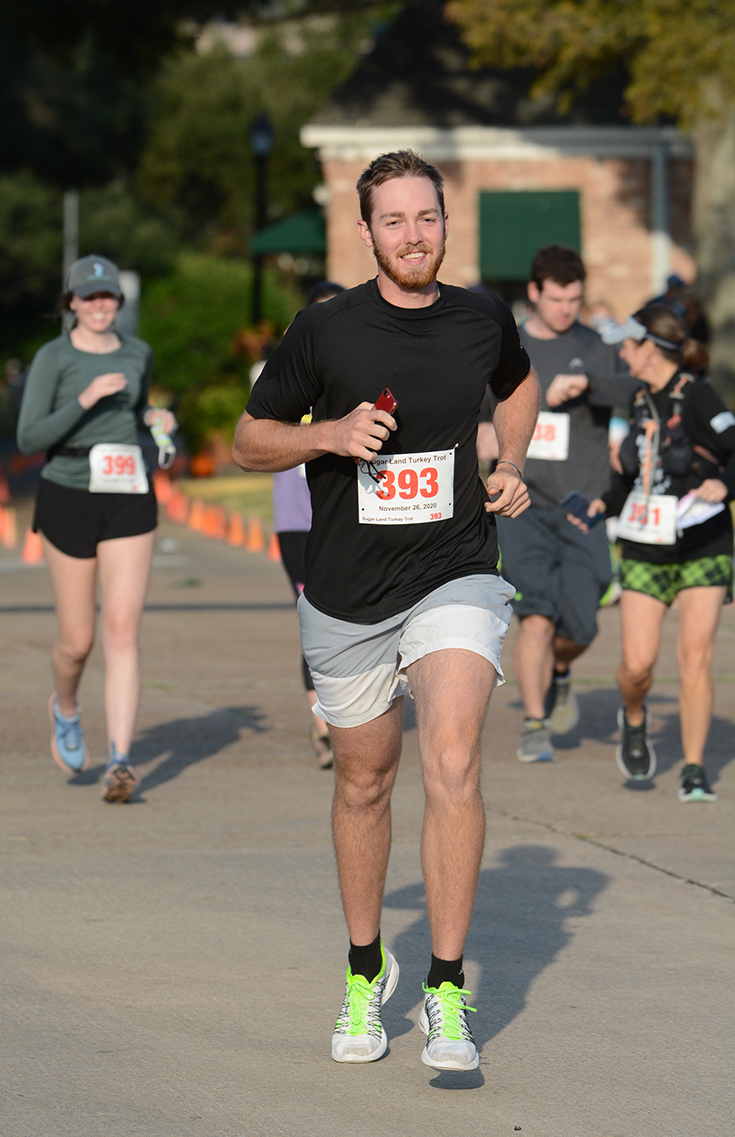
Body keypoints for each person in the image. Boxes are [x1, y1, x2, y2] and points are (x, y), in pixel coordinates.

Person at [233, 150, 539, 1071]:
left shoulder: (483, 316)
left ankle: (448, 989)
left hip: (455, 569)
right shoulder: (324, 332)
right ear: (366, 233)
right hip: (345, 590)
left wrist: (510, 464)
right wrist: (326, 434)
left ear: (448, 222)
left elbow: (517, 383)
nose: (415, 236)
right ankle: (368, 970)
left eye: (428, 217)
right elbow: (251, 438)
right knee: (365, 778)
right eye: (395, 221)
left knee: (452, 759)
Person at [17, 254, 176, 804]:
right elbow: (27, 438)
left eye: (107, 296)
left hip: (129, 491)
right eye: (89, 297)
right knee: (77, 641)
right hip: (67, 492)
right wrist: (83, 400)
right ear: (72, 304)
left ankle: (120, 760)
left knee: (123, 630)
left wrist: (157, 422)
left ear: (117, 301)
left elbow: (136, 416)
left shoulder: (138, 354)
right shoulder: (53, 357)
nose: (100, 305)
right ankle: (65, 706)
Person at [483, 245, 638, 764]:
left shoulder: (597, 347)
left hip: (583, 506)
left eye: (574, 299)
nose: (566, 308)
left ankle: (562, 671)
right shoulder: (511, 346)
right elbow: (477, 410)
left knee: (583, 621)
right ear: (534, 293)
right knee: (537, 614)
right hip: (523, 505)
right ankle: (535, 723)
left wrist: (592, 384)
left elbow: (637, 389)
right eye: (556, 299)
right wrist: (486, 441)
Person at [572, 306, 734, 801]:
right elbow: (631, 478)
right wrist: (603, 502)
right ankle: (636, 717)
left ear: (650, 348)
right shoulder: (638, 399)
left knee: (694, 657)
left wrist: (721, 485)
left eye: (627, 345)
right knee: (638, 666)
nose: (622, 353)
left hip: (703, 545)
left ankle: (692, 767)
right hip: (645, 547)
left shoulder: (698, 394)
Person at [272, 282, 345, 769]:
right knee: (317, 618)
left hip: (350, 516)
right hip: (298, 522)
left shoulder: (362, 377)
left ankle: (351, 716)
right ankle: (324, 725)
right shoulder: (286, 376)